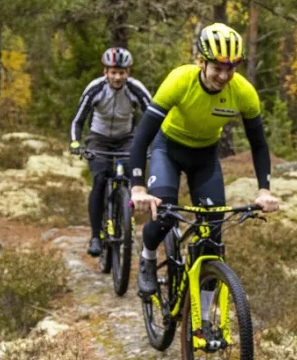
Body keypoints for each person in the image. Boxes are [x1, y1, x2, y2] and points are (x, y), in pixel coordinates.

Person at [128, 22, 281, 296]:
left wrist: (264, 190)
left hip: (205, 157)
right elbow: (142, 138)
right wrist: (138, 188)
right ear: (201, 62)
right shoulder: (179, 81)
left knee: (212, 236)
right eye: (217, 68)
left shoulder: (244, 93)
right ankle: (148, 256)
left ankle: (206, 321)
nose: (224, 76)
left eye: (231, 68)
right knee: (164, 214)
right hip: (168, 150)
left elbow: (259, 146)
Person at [69, 47, 152, 257]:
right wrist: (75, 143)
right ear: (105, 71)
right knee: (99, 179)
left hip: (127, 139)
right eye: (113, 72)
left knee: (132, 177)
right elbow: (78, 120)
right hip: (98, 139)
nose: (117, 77)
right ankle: (96, 235)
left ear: (128, 73)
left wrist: (153, 145)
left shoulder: (136, 89)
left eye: (121, 72)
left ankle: (125, 216)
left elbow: (153, 118)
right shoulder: (95, 89)